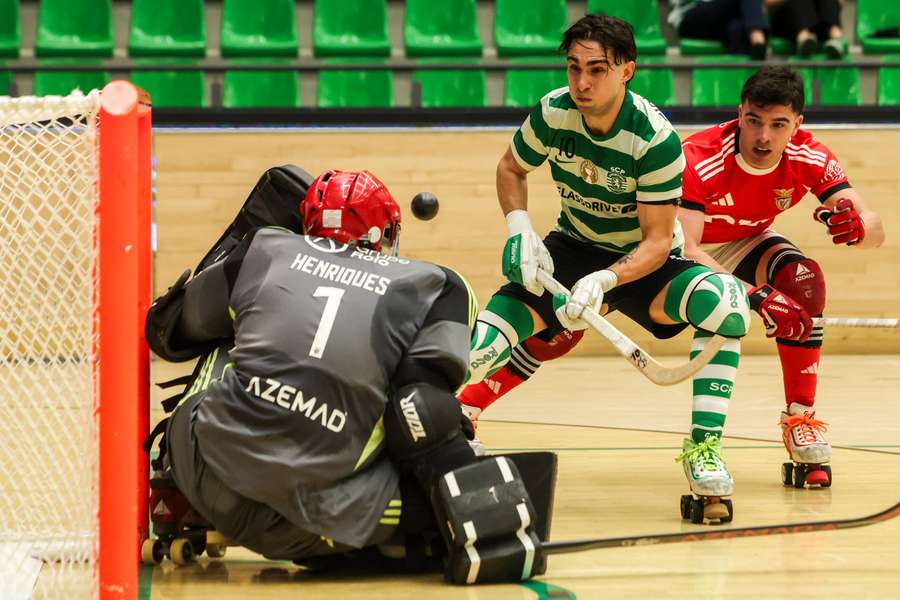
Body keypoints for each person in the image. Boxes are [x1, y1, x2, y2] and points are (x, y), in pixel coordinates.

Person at [468, 65, 886, 490]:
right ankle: (469, 403)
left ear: (797, 125)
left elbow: (875, 226)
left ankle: (801, 418)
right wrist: (758, 296)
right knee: (557, 331)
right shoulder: (700, 158)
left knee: (805, 284)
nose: (763, 137)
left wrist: (857, 228)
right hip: (675, 247)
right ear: (739, 113)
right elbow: (688, 249)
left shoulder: (811, 157)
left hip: (746, 240)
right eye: (753, 122)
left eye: (778, 125)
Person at [143, 169, 549, 584]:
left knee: (232, 330)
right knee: (405, 398)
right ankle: (399, 541)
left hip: (208, 479)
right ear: (384, 233)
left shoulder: (263, 248)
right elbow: (417, 410)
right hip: (315, 525)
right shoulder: (437, 285)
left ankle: (171, 487)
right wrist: (464, 480)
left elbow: (171, 333)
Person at [460, 13, 752, 524]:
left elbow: (660, 241)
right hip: (572, 248)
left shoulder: (654, 139)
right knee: (473, 351)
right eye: (574, 68)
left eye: (597, 69)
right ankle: (446, 424)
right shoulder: (553, 112)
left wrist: (608, 279)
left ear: (627, 71)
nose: (582, 82)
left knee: (727, 307)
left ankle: (704, 449)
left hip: (646, 260)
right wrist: (521, 228)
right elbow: (512, 167)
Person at [668, 0, 770, 59]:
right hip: (691, 16)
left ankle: (737, 86)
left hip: (724, 21)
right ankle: (757, 37)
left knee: (737, 28)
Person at [765, 0, 847, 58]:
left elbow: (840, 3)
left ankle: (835, 37)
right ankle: (804, 39)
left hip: (817, 22)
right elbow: (767, 2)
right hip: (786, 21)